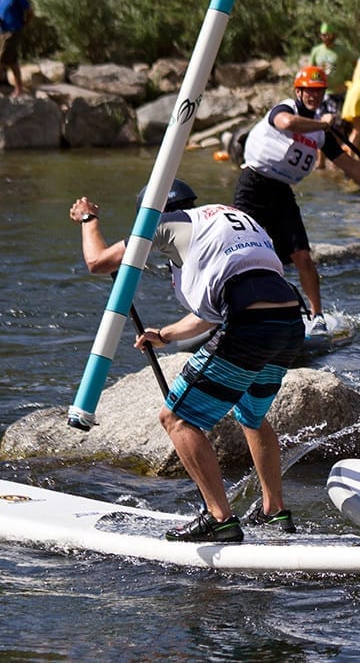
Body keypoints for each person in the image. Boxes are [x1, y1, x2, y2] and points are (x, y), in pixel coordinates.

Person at [70, 180, 303, 542]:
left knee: (176, 417)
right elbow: (216, 307)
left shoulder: (165, 223)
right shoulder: (226, 218)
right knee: (252, 416)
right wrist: (165, 334)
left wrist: (88, 219)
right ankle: (275, 512)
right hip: (289, 322)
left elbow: (97, 262)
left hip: (250, 325)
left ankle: (219, 518)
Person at [237, 66, 360, 336]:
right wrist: (323, 124)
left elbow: (350, 166)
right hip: (253, 186)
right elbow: (287, 124)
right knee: (245, 253)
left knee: (302, 256)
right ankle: (236, 311)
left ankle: (317, 316)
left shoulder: (322, 133)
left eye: (319, 92)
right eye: (309, 91)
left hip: (282, 191)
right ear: (298, 91)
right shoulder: (285, 108)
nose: (314, 96)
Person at [0, 0, 34, 97]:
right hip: (3, 32)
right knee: (12, 62)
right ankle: (19, 90)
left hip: (13, 31)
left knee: (1, 59)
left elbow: (29, 11)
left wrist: (25, 23)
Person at [308, 22, 357, 108]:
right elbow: (310, 71)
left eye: (328, 34)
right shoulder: (316, 51)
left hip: (338, 93)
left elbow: (356, 64)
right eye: (323, 35)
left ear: (333, 35)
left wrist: (354, 81)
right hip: (321, 93)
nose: (325, 37)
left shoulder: (342, 50)